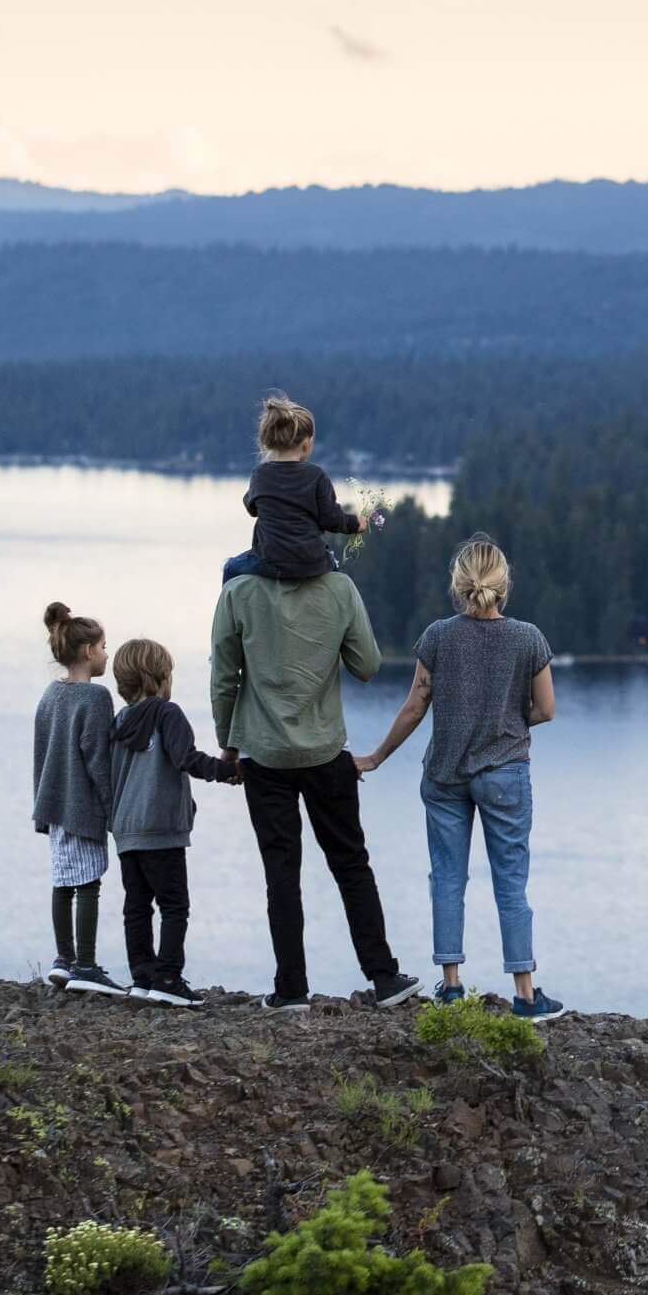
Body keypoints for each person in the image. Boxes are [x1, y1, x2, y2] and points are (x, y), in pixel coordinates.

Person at [358, 534, 564, 1023]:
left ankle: (451, 988)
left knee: (447, 880)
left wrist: (376, 758)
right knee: (510, 884)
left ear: (459, 584)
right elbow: (546, 710)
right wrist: (506, 722)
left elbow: (414, 706)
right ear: (503, 583)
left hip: (445, 775)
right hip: (504, 775)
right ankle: (526, 994)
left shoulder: (436, 637)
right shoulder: (528, 638)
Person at [210, 557, 419, 1012]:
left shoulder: (237, 590)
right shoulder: (339, 587)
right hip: (325, 750)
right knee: (351, 864)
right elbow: (368, 664)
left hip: (262, 753)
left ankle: (290, 989)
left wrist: (228, 744)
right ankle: (384, 977)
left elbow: (224, 677)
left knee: (281, 872)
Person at [107, 637, 241, 1006]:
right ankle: (167, 977)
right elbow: (187, 758)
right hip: (161, 829)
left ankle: (142, 976)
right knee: (173, 905)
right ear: (161, 677)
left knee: (136, 906)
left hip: (126, 829)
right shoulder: (168, 714)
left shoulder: (119, 721)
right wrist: (228, 771)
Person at [33, 600, 122, 997]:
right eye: (104, 647)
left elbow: (40, 754)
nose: (107, 654)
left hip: (53, 807)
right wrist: (113, 806)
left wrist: (41, 809)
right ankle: (86, 964)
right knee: (88, 883)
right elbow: (98, 760)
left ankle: (63, 961)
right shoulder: (96, 699)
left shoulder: (49, 696)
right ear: (88, 652)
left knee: (62, 882)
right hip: (82, 806)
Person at [222, 392, 365, 582]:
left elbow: (251, 507)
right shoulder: (317, 476)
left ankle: (228, 611)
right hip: (312, 563)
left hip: (270, 562)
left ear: (267, 441)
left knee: (230, 568)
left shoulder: (260, 474)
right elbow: (331, 518)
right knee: (335, 572)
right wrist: (355, 524)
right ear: (306, 444)